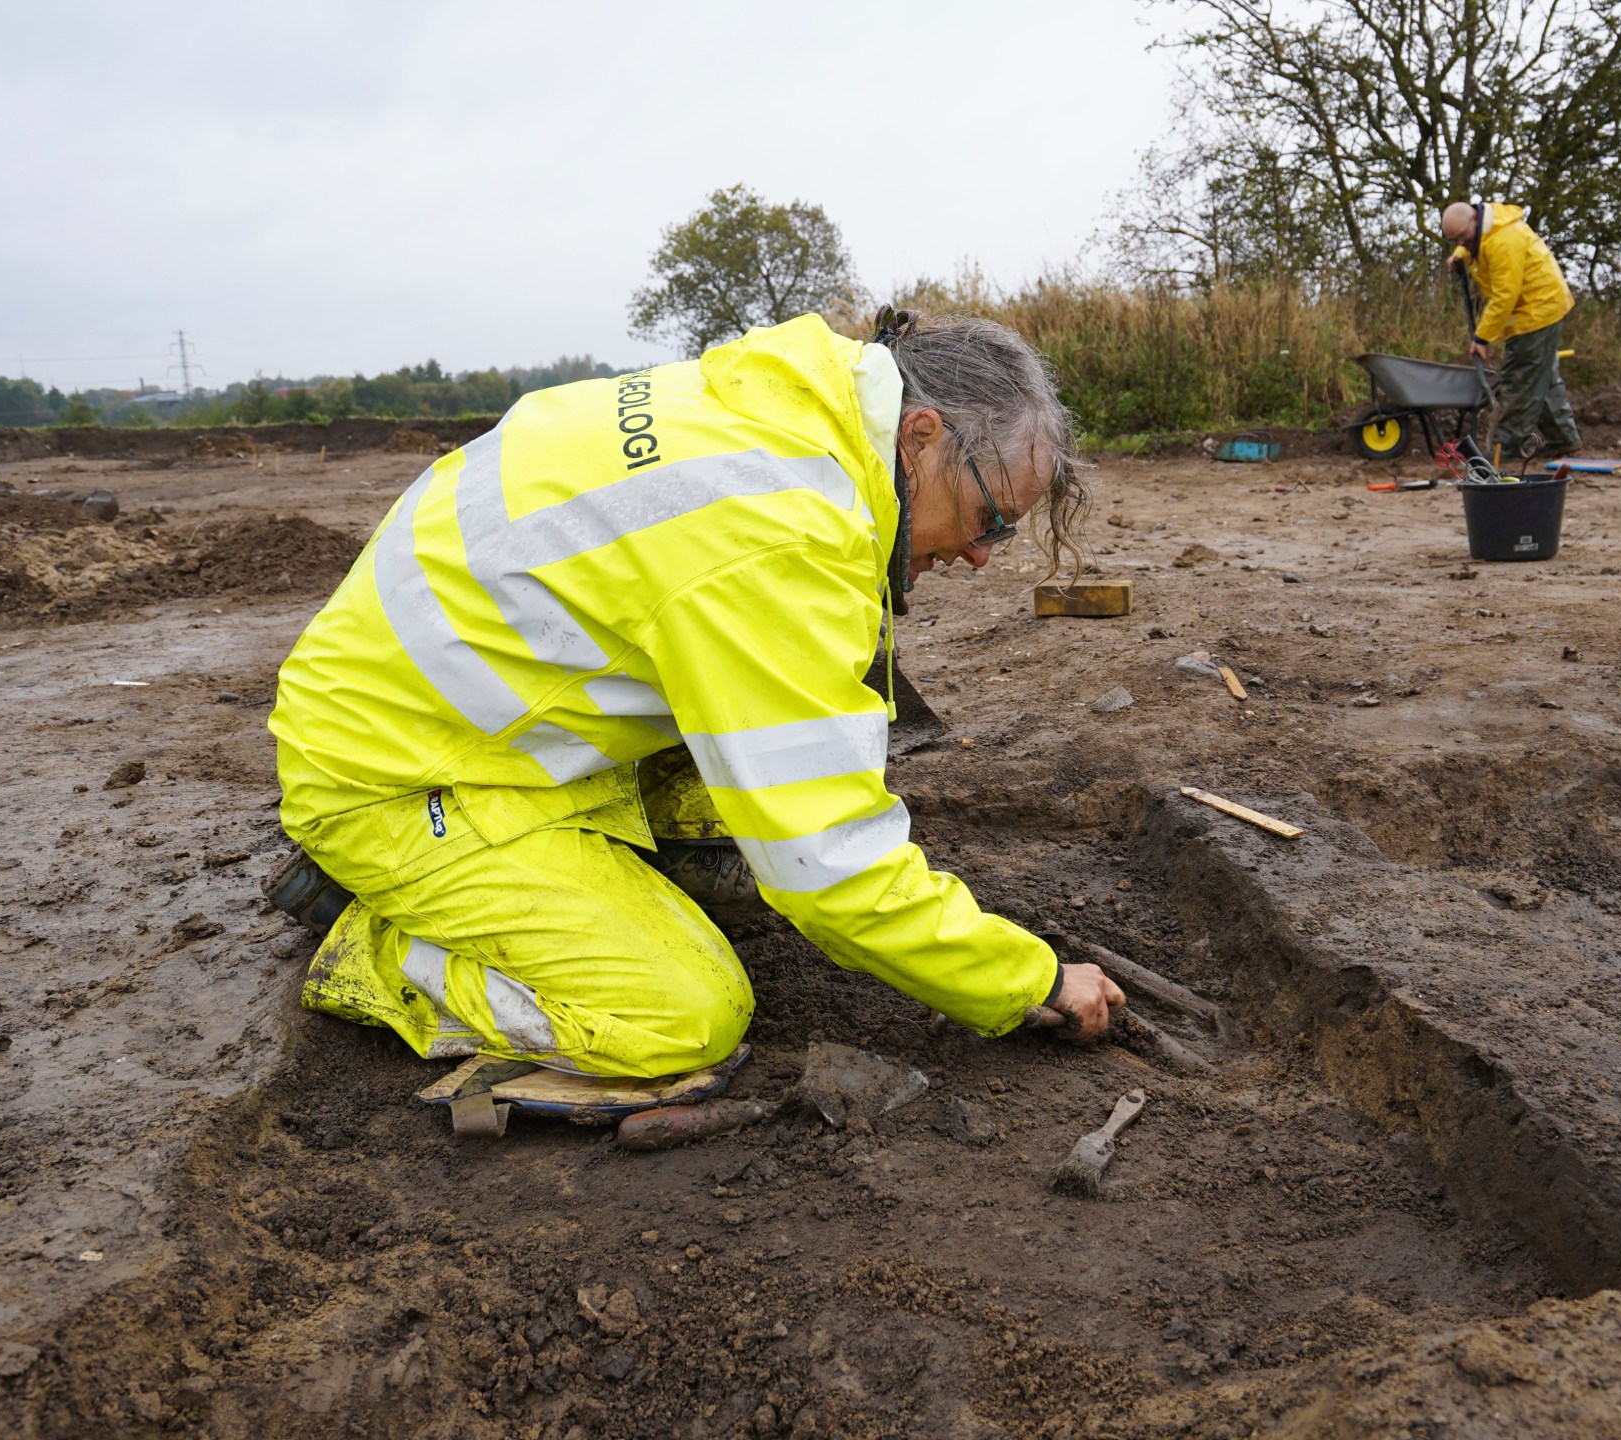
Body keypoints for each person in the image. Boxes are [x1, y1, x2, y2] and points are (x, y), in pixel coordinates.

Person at [266, 311, 1126, 1080]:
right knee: (683, 1016)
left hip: (456, 705)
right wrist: (1031, 978)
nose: (983, 557)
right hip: (399, 773)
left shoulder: (790, 397)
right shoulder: (776, 532)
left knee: (744, 837)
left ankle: (568, 867)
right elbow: (829, 866)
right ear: (921, 436)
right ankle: (376, 938)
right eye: (993, 521)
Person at [1441, 201, 1580, 461]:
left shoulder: (1504, 241)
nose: (1461, 241)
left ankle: (1502, 448)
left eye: (1462, 236)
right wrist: (1460, 254)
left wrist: (1482, 337)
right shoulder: (1484, 229)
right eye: (1455, 239)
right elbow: (1473, 243)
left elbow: (1505, 296)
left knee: (1520, 379)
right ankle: (1564, 439)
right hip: (1534, 306)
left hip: (1536, 310)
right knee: (1543, 377)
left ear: (1474, 217)